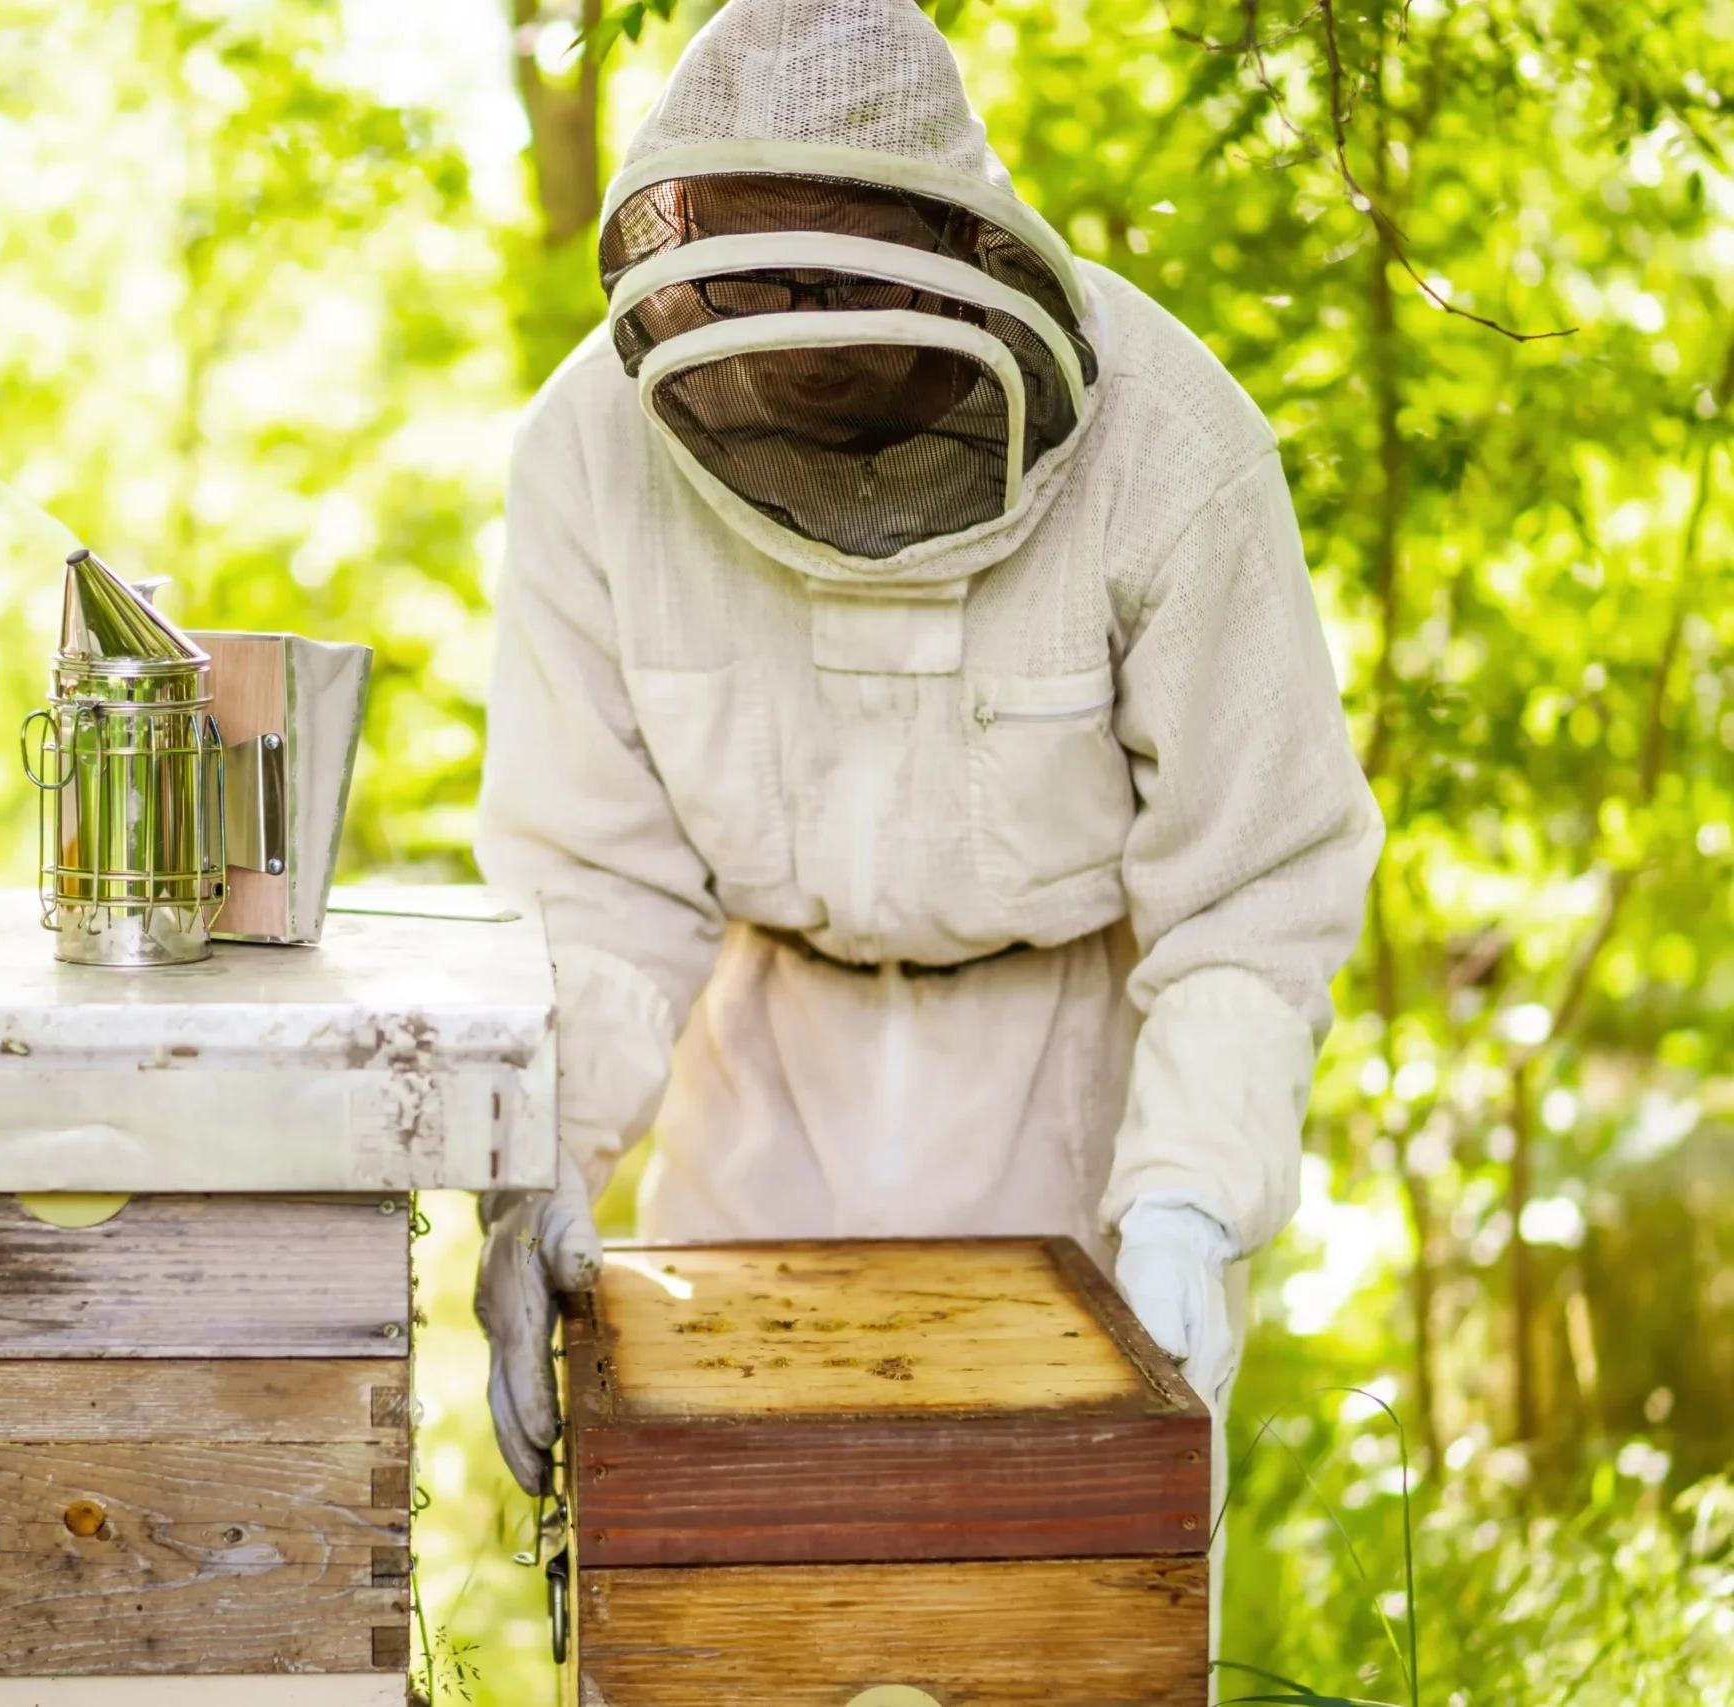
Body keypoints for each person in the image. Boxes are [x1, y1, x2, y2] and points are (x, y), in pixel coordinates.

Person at [471, 0, 1382, 1533]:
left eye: (844, 280)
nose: (812, 342)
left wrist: (1184, 1198)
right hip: (757, 1098)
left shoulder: (1174, 448)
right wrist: (538, 1166)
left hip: (1073, 1105)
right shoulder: (589, 450)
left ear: (955, 239)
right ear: (686, 233)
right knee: (743, 1596)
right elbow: (595, 879)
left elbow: (1254, 884)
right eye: (772, 283)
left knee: (1061, 1607)